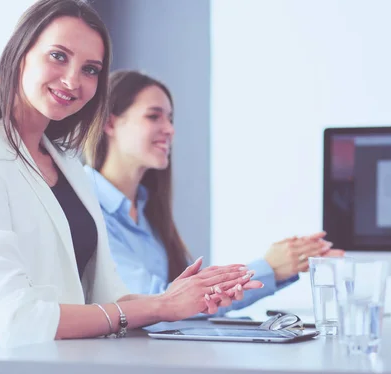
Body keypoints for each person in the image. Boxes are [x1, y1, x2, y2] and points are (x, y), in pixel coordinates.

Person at [0, 2, 260, 374]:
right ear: (20, 53)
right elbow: (19, 319)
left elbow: (108, 298)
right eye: (58, 56)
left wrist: (178, 300)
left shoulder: (69, 165)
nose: (73, 79)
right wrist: (158, 307)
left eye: (90, 69)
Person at [85, 70, 345, 313]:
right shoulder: (86, 204)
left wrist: (289, 264)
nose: (170, 130)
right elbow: (159, 304)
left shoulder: (144, 208)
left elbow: (181, 302)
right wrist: (269, 268)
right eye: (154, 116)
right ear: (110, 124)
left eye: (170, 119)